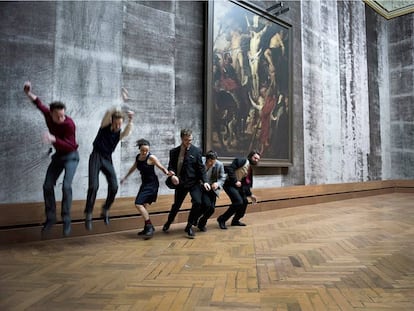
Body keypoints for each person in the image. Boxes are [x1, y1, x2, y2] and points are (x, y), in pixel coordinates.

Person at [23, 81, 80, 237]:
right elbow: (38, 103)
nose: (62, 118)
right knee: (47, 185)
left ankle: (66, 219)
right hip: (58, 157)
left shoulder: (69, 124)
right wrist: (28, 93)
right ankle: (51, 218)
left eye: (63, 114)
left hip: (71, 157)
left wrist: (53, 139)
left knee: (66, 186)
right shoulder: (48, 114)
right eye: (58, 115)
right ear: (52, 113)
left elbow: (70, 146)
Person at [84, 107, 134, 231]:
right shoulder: (104, 127)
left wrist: (131, 120)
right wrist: (117, 104)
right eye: (116, 123)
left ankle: (105, 209)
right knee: (93, 186)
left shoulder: (119, 133)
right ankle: (88, 214)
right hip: (96, 156)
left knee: (114, 186)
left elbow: (127, 131)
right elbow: (108, 113)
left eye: (120, 124)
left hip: (107, 159)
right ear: (111, 121)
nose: (118, 126)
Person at [163, 128, 210, 238]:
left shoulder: (197, 151)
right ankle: (168, 222)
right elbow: (171, 166)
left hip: (194, 183)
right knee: (176, 205)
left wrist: (205, 181)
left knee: (198, 202)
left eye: (190, 140)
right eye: (186, 140)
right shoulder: (174, 152)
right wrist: (173, 175)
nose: (189, 142)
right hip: (181, 183)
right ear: (181, 139)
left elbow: (201, 168)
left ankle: (189, 226)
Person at [120, 139, 170, 239]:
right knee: (143, 206)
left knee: (138, 203)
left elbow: (161, 167)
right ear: (139, 149)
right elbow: (133, 168)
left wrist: (167, 173)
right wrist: (125, 177)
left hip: (152, 184)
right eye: (143, 150)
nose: (145, 152)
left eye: (146, 150)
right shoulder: (138, 157)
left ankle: (149, 226)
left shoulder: (151, 157)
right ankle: (146, 228)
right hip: (145, 184)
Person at [217, 150, 261, 229]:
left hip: (237, 186)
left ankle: (235, 220)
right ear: (251, 156)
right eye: (255, 158)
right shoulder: (242, 161)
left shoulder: (249, 168)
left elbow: (246, 184)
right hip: (229, 184)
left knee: (244, 201)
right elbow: (230, 169)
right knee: (238, 202)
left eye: (258, 159)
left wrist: (250, 195)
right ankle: (222, 219)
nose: (256, 160)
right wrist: (235, 181)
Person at [197, 150, 226, 232]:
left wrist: (217, 183)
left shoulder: (219, 164)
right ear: (207, 159)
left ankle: (201, 223)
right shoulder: (200, 161)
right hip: (201, 187)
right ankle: (194, 219)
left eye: (214, 161)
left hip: (212, 188)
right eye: (211, 162)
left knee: (212, 209)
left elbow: (222, 177)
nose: (213, 164)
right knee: (206, 205)